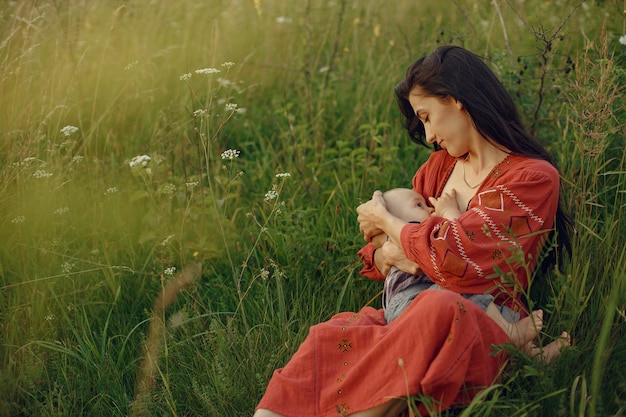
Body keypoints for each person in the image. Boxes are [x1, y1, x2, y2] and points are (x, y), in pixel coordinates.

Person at [255, 45, 572, 417]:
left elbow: (458, 259)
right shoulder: (438, 169)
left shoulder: (531, 178)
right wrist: (388, 251)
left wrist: (389, 223)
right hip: (408, 310)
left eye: (427, 117)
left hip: (484, 319)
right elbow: (389, 252)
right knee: (331, 334)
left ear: (457, 101)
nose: (428, 134)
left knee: (439, 307)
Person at [380, 187, 546, 352]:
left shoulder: (401, 239)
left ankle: (534, 356)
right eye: (418, 205)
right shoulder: (411, 232)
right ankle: (509, 333)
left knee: (471, 309)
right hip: (409, 304)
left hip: (406, 308)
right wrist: (448, 211)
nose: (430, 209)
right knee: (459, 282)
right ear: (396, 219)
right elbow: (460, 243)